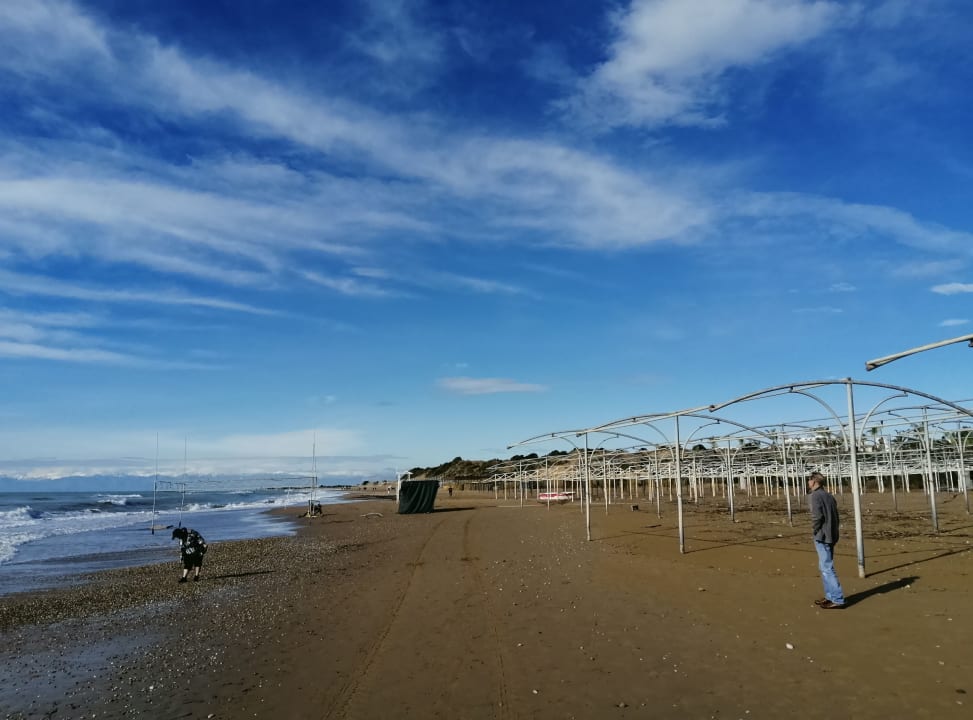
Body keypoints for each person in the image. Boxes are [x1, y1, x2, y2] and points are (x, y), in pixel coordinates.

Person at [807, 472, 845, 609]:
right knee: (824, 567)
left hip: (822, 536)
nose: (808, 482)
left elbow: (817, 516)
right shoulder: (829, 496)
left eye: (809, 480)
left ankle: (837, 599)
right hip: (831, 535)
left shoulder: (815, 496)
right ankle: (830, 596)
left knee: (827, 567)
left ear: (814, 481)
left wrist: (815, 530)